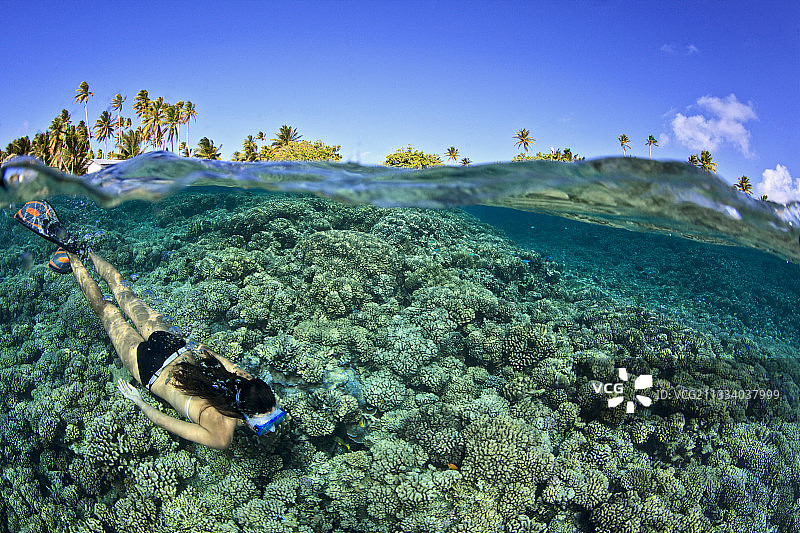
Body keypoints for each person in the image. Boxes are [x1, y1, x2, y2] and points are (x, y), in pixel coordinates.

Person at [15, 200, 286, 449]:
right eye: (268, 422)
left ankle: (82, 249)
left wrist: (191, 345)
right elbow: (167, 422)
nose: (270, 428)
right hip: (151, 371)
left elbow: (206, 351)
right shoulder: (222, 436)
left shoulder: (243, 380)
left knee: (121, 288)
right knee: (105, 310)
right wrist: (139, 402)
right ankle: (73, 260)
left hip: (172, 345)